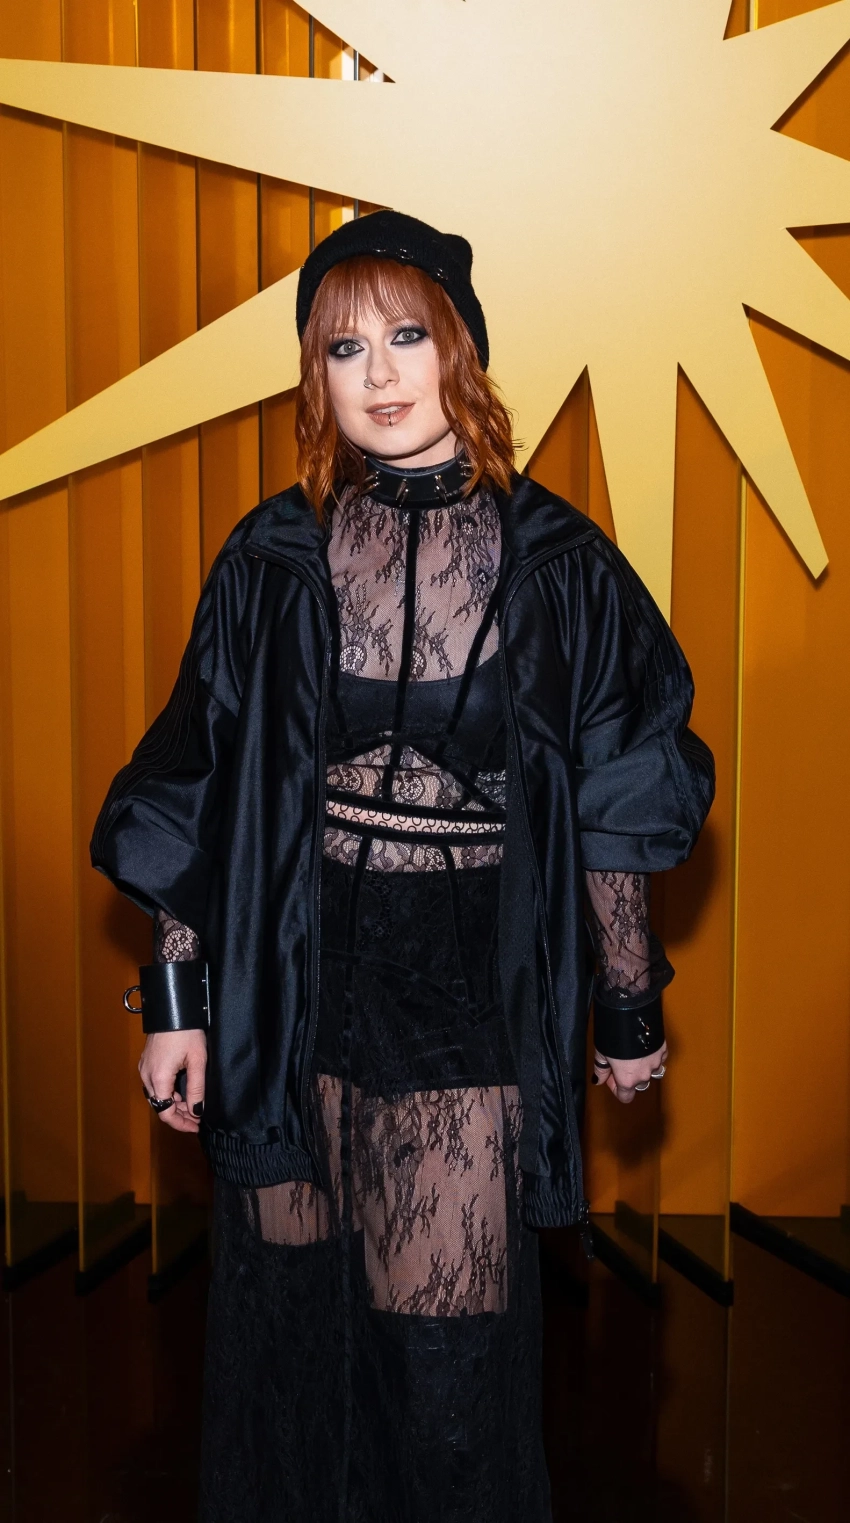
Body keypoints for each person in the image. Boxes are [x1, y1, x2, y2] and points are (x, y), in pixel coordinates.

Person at [92, 210, 713, 1523]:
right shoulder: (271, 557)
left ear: (461, 351)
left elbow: (615, 802)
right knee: (291, 1352)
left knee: (447, 1376)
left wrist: (625, 1006)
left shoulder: (560, 567)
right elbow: (196, 787)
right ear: (313, 375)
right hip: (291, 989)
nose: (377, 373)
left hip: (462, 1002)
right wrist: (179, 1005)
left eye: (407, 336)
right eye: (343, 348)